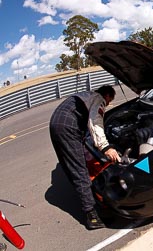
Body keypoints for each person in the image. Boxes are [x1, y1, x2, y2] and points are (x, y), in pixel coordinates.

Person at [49, 85, 121, 230]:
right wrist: (106, 147)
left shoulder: (86, 95)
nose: (107, 104)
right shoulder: (98, 99)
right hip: (68, 126)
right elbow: (95, 121)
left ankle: (84, 196)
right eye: (109, 101)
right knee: (79, 169)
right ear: (107, 96)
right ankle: (92, 216)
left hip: (55, 122)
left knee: (70, 165)